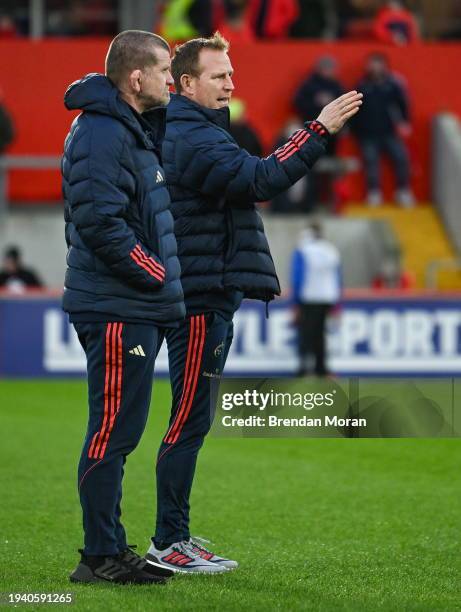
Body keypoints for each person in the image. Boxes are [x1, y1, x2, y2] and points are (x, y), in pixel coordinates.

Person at [144, 31, 362, 573]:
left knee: (191, 417)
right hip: (200, 295)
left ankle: (174, 536)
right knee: (188, 419)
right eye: (219, 76)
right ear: (186, 83)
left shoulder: (196, 130)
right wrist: (316, 131)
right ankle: (168, 541)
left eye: (231, 75)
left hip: (205, 289)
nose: (230, 84)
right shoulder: (194, 136)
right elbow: (261, 179)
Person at [61, 30, 186, 585]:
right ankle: (99, 555)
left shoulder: (127, 130)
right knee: (112, 430)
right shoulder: (103, 133)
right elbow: (101, 222)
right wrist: (155, 274)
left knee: (121, 430)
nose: (170, 80)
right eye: (163, 69)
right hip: (116, 306)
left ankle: (109, 546)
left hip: (132, 305)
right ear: (135, 77)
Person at [351, 52, 414, 207]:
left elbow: (402, 104)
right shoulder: (362, 85)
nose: (374, 67)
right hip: (367, 133)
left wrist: (405, 122)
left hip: (389, 131)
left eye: (378, 63)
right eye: (372, 63)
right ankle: (374, 193)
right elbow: (354, 108)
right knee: (371, 163)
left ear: (384, 65)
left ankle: (403, 191)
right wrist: (353, 129)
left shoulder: (392, 84)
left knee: (401, 158)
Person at [291, 222, 341, 377]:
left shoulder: (302, 250)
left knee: (305, 333)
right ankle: (321, 368)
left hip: (308, 297)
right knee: (320, 334)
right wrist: (337, 304)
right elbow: (338, 278)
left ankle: (303, 368)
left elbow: (297, 277)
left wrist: (295, 303)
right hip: (327, 297)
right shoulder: (332, 251)